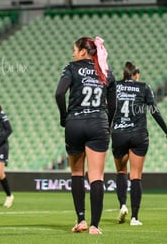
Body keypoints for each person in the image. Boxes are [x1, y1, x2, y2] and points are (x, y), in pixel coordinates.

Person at [55, 36, 116, 235]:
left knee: (77, 173)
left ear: (83, 51)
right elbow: (113, 105)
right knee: (96, 176)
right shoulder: (106, 70)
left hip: (75, 123)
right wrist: (108, 123)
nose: (72, 53)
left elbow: (59, 93)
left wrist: (65, 117)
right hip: (98, 123)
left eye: (74, 49)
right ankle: (94, 225)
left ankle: (81, 219)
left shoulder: (71, 67)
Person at [111, 61, 167, 226]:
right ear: (136, 74)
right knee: (136, 176)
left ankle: (122, 205)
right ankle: (134, 218)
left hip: (119, 133)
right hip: (138, 135)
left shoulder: (114, 86)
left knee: (120, 172)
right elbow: (154, 111)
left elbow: (108, 109)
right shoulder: (143, 87)